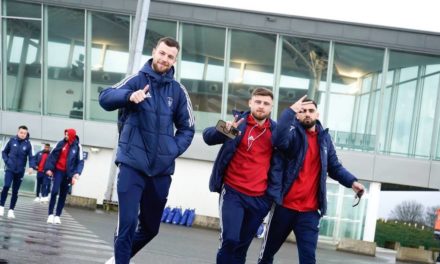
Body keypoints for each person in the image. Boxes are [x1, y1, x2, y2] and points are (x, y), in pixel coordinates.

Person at [99, 36, 195, 264]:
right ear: (154, 52)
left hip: (161, 171)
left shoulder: (178, 91)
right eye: (162, 53)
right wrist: (129, 96)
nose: (165, 59)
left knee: (151, 228)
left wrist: (171, 149)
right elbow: (105, 97)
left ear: (175, 60)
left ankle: (118, 258)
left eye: (170, 56)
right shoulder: (136, 79)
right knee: (128, 224)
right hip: (132, 164)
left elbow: (188, 128)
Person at [258, 96, 365, 264]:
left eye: (311, 111)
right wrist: (289, 112)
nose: (307, 114)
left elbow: (335, 167)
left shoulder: (325, 139)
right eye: (303, 111)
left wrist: (352, 182)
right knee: (266, 255)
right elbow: (278, 140)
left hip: (309, 213)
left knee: (308, 259)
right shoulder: (292, 135)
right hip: (283, 207)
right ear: (297, 115)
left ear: (317, 114)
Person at [203, 87, 281, 264]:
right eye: (258, 102)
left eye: (266, 103)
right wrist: (223, 130)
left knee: (241, 248)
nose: (261, 106)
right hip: (233, 193)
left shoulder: (276, 132)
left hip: (260, 199)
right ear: (250, 103)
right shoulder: (239, 125)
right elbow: (208, 137)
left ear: (271, 107)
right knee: (230, 241)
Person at [44, 129, 84, 225]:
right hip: (58, 171)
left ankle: (57, 215)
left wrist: (77, 173)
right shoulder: (60, 143)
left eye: (67, 134)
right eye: (65, 134)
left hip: (68, 174)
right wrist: (48, 169)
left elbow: (80, 161)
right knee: (54, 191)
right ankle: (50, 215)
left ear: (72, 135)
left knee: (63, 194)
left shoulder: (78, 146)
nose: (66, 136)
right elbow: (52, 156)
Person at [0, 125, 35, 219]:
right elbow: (4, 152)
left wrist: (31, 167)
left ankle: (11, 210)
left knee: (15, 191)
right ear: (18, 132)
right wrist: (7, 161)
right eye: (21, 132)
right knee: (6, 186)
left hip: (20, 171)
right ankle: (1, 206)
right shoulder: (12, 140)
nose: (23, 134)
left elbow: (31, 157)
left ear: (27, 133)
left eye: (25, 133)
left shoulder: (28, 144)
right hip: (10, 169)